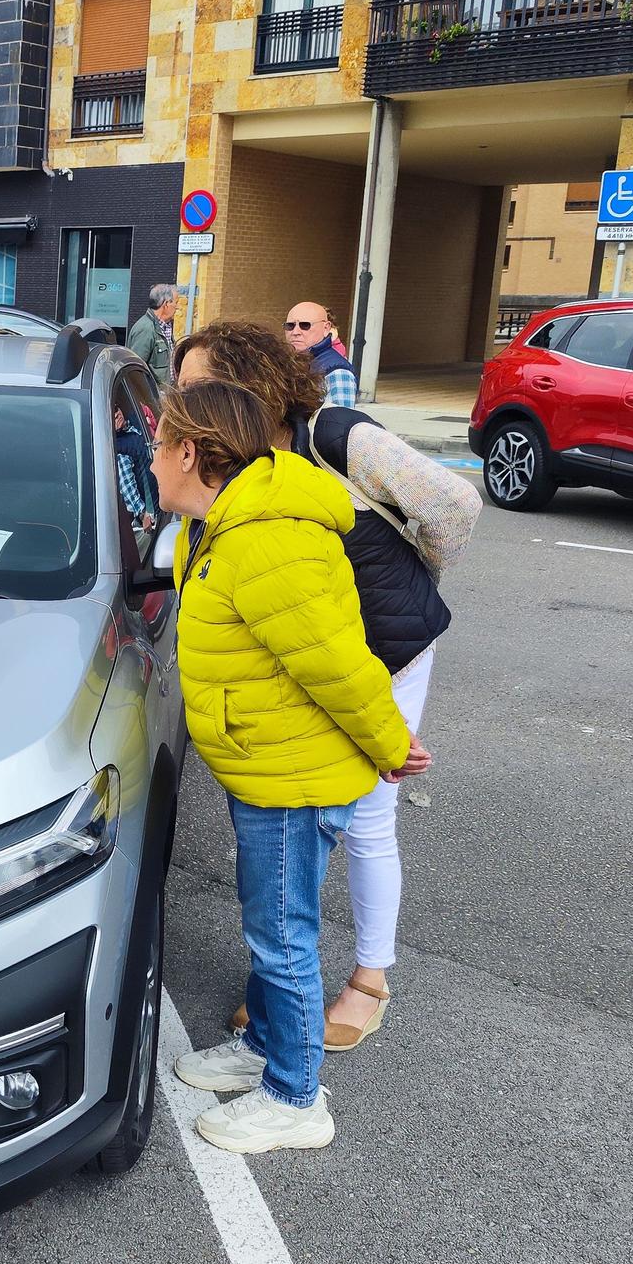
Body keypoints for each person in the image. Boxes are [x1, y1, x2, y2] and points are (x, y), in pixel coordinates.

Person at [176, 321, 479, 1050]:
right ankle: (285, 989)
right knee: (302, 813)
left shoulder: (335, 435)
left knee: (369, 813)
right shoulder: (232, 458)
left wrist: (403, 580)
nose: (183, 402)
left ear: (252, 381)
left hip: (384, 648)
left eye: (199, 387)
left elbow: (452, 506)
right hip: (303, 651)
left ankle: (368, 981)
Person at [155, 379, 427, 1153]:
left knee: (283, 934)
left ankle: (296, 1095)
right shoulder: (223, 525)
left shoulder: (267, 537)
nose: (150, 461)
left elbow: (337, 663)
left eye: (158, 445)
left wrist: (389, 745)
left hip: (292, 776)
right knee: (272, 923)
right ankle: (265, 1048)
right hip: (269, 763)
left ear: (189, 452)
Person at [284, 302, 356, 406]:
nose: (295, 332)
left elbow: (339, 420)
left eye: (305, 325)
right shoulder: (285, 363)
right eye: (290, 326)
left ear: (326, 328)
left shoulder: (337, 373)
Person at [112, 403, 158, 534]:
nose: (115, 414)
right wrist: (144, 514)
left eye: (115, 408)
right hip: (154, 508)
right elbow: (127, 487)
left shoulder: (135, 419)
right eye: (110, 415)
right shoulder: (119, 448)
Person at [127, 283, 179, 389]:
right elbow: (135, 370)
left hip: (166, 396)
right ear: (166, 304)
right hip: (154, 398)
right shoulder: (145, 329)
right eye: (176, 302)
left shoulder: (165, 327)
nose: (177, 307)